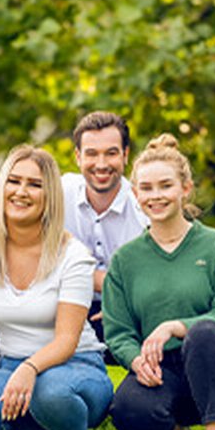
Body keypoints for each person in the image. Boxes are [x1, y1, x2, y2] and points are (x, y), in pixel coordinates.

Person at [0, 146, 113, 430]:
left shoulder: (73, 256)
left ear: (49, 196)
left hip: (78, 367)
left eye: (34, 185)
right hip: (12, 366)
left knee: (49, 391)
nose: (21, 192)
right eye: (14, 181)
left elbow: (67, 340)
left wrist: (29, 368)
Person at [103, 135, 215, 430]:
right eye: (147, 188)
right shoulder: (126, 260)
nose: (156, 196)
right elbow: (118, 332)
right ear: (135, 195)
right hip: (161, 370)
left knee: (204, 332)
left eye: (165, 186)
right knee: (127, 411)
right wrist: (136, 359)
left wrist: (174, 326)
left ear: (185, 189)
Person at [61, 111, 147, 345]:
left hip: (132, 312)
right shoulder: (58, 194)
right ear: (78, 157)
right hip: (64, 306)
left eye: (111, 153)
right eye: (91, 154)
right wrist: (108, 282)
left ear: (125, 155)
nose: (101, 164)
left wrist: (120, 301)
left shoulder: (144, 208)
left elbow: (153, 281)